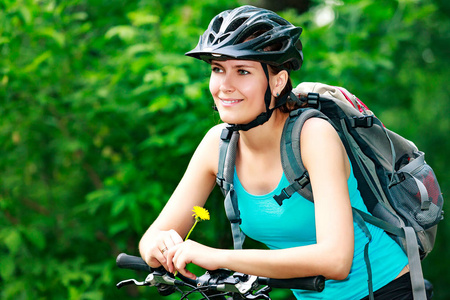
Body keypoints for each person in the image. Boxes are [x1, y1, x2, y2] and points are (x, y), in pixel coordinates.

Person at [139, 5, 412, 299]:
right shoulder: (217, 146)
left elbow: (336, 260)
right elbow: (150, 240)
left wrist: (218, 257)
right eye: (218, 69)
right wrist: (159, 245)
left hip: (386, 290)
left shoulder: (312, 136)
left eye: (242, 71)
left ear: (277, 81)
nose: (224, 86)